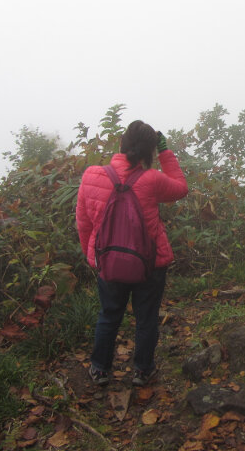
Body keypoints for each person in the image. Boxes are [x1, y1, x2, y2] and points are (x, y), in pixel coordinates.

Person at [76, 120, 188, 386]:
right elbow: (181, 189)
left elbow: (84, 222)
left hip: (108, 262)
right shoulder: (151, 179)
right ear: (149, 151)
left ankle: (100, 369)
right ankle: (142, 370)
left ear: (122, 143)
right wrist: (165, 153)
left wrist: (93, 258)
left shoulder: (92, 175)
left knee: (108, 315)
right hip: (149, 264)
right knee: (146, 318)